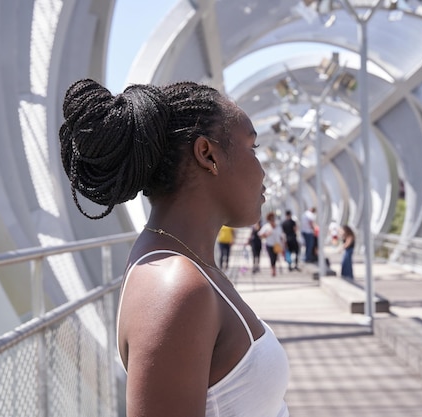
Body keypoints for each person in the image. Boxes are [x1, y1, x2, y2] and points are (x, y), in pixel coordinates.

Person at [59, 79, 290, 417]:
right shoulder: (175, 287)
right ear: (207, 154)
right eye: (252, 148)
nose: (262, 170)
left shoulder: (188, 268)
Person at [258, 212, 285, 277]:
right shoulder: (266, 227)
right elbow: (260, 234)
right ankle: (273, 270)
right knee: (271, 257)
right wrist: (266, 234)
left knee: (275, 257)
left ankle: (274, 269)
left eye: (273, 220)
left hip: (277, 245)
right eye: (271, 220)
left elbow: (281, 236)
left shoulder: (278, 227)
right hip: (269, 244)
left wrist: (283, 244)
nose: (272, 221)